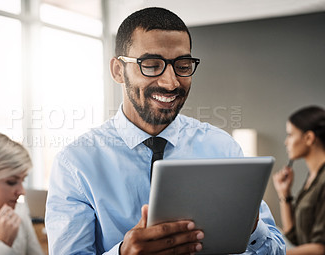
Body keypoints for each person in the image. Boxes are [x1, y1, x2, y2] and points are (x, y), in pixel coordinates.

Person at [46, 7, 285, 254]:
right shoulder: (75, 163)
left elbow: (278, 249)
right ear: (118, 71)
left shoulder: (222, 148)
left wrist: (252, 228)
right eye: (151, 65)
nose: (170, 83)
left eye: (182, 65)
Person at [273, 106, 325, 255]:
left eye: (290, 135)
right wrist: (284, 192)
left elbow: (321, 248)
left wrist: (272, 253)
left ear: (308, 138)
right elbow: (294, 237)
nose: (286, 142)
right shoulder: (313, 177)